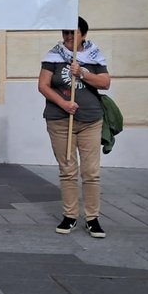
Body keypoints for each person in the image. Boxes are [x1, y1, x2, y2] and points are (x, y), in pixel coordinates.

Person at [38, 16, 112, 238]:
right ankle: (70, 215)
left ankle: (92, 219)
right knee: (68, 170)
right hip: (60, 121)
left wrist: (82, 73)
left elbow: (105, 83)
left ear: (84, 35)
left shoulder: (94, 55)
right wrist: (63, 104)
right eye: (66, 32)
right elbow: (43, 85)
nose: (69, 36)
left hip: (90, 120)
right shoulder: (53, 56)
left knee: (91, 172)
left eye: (74, 32)